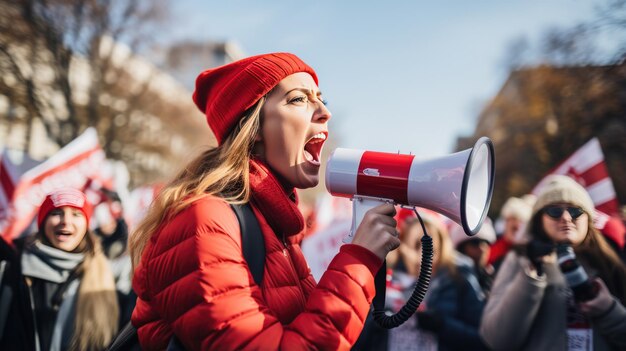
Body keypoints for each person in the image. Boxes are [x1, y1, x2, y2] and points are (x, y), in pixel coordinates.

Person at [128, 53, 401, 350]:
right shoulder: (204, 219)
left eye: (322, 100)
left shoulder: (278, 229)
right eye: (299, 99)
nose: (325, 111)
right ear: (254, 128)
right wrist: (358, 260)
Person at [480, 175, 626, 350]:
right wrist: (532, 275)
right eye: (554, 211)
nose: (565, 217)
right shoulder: (520, 260)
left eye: (575, 211)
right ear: (539, 220)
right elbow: (495, 340)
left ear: (588, 218)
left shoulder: (610, 263)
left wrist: (608, 310)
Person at [0, 188, 120, 351]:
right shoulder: (12, 268)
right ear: (42, 222)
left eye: (76, 214)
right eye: (56, 213)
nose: (66, 221)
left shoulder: (104, 275)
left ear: (87, 224)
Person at [353, 210, 489, 351]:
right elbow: (358, 334)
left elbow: (483, 338)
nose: (420, 255)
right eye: (416, 245)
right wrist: (382, 318)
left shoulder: (459, 276)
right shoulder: (384, 275)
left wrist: (442, 324)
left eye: (429, 246)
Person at [449, 218, 496, 297]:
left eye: (485, 243)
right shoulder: (452, 278)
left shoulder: (490, 275)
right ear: (461, 249)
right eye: (475, 243)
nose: (482, 248)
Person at [488, 195, 534, 270]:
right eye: (513, 219)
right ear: (506, 221)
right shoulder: (493, 246)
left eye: (521, 221)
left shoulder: (527, 252)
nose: (517, 225)